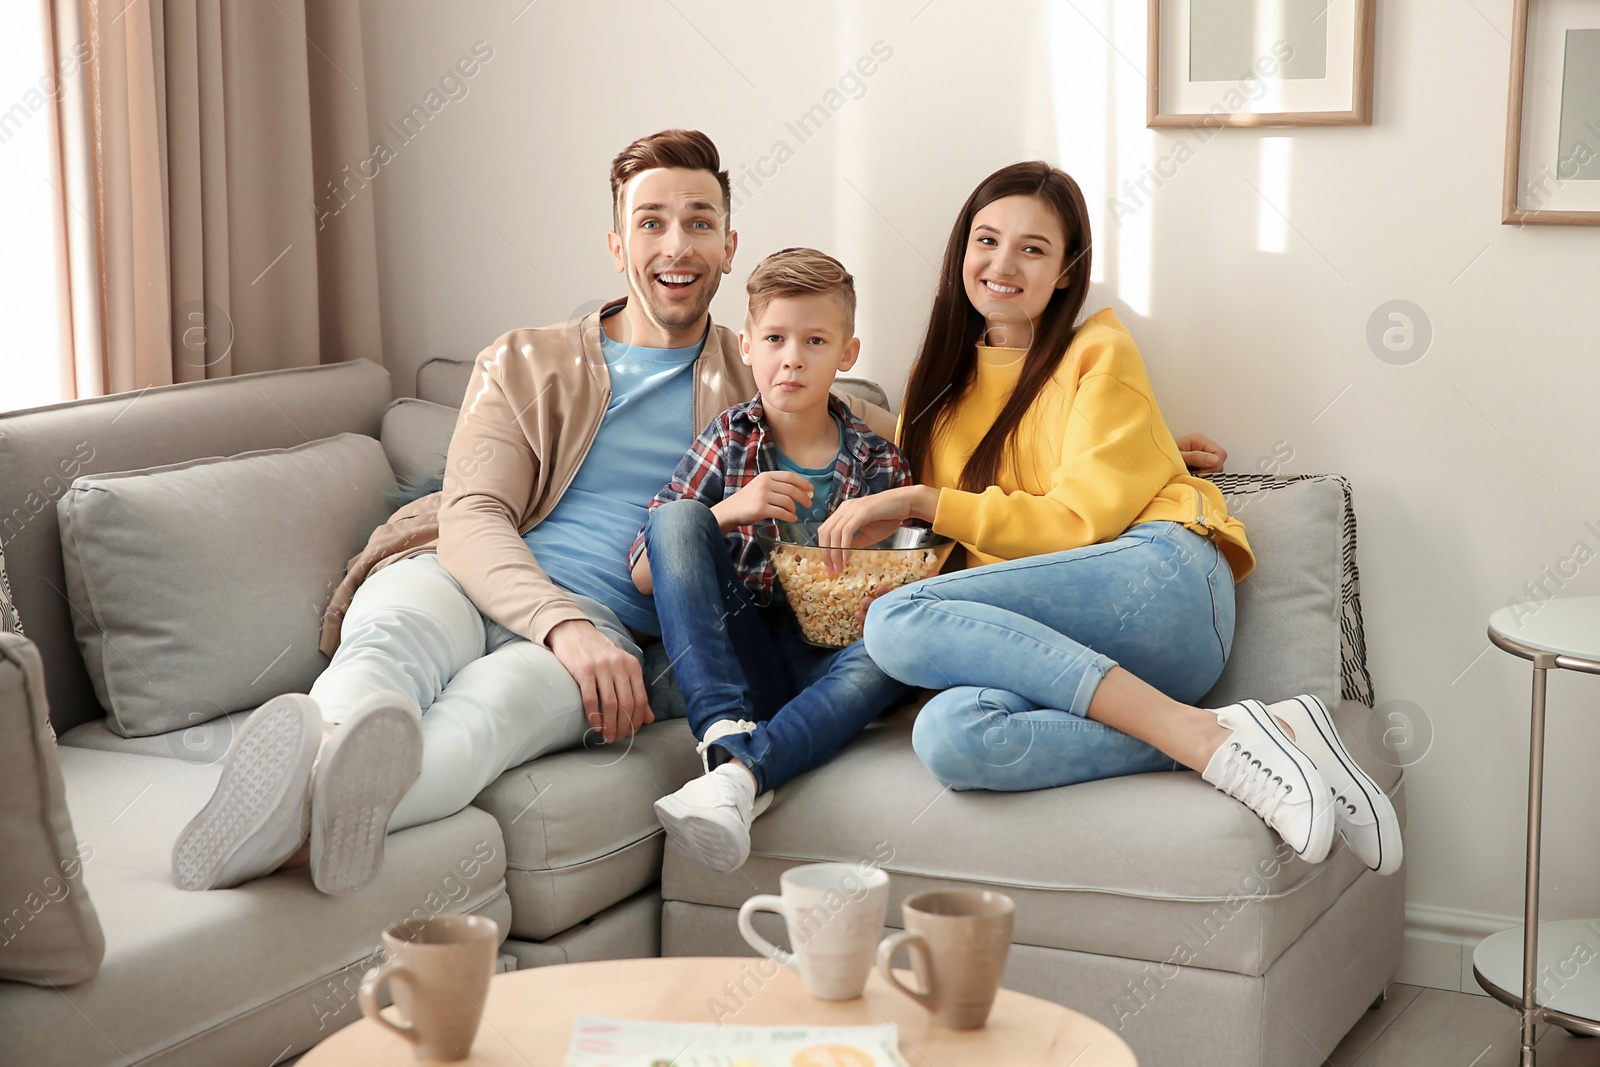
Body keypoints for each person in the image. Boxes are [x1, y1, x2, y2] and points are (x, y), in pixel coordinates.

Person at [169, 129, 761, 892]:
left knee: (489, 718)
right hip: (457, 574)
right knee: (388, 645)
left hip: (604, 627)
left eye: (699, 221)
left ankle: (274, 832)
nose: (675, 244)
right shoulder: (525, 359)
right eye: (651, 221)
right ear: (617, 245)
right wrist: (563, 624)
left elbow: (876, 439)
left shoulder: (762, 379)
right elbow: (474, 514)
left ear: (729, 244)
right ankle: (303, 815)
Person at [824, 161, 1400, 876]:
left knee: (896, 620)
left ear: (1066, 271)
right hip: (1064, 646)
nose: (1002, 264)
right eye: (986, 240)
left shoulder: (1098, 346)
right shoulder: (936, 391)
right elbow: (969, 508)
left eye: (1033, 249)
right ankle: (1257, 728)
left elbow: (1073, 521)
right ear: (961, 251)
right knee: (953, 734)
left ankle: (1218, 739)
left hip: (1165, 589)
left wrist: (921, 500)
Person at [628, 247, 914, 873]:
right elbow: (646, 570)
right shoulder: (730, 438)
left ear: (847, 354)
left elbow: (906, 584)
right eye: (776, 339)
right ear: (747, 346)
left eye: (815, 341)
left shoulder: (878, 461)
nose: (793, 358)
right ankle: (727, 738)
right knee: (676, 516)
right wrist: (732, 509)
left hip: (830, 663)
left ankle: (734, 777)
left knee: (899, 646)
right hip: (744, 653)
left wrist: (872, 540)